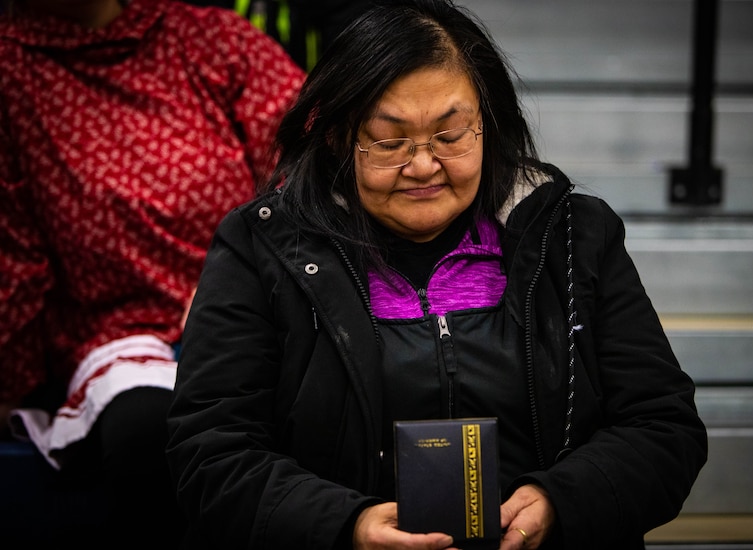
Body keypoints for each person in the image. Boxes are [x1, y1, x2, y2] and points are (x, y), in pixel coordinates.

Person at [166, 0, 708, 548]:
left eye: (450, 136)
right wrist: (343, 526)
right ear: (336, 136)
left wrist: (560, 501)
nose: (423, 165)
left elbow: (663, 429)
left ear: (488, 127)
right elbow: (210, 453)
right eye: (388, 140)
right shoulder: (263, 251)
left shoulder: (572, 238)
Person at [0, 0, 304, 546]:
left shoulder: (208, 38)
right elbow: (13, 255)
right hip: (123, 337)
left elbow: (307, 158)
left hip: (255, 296)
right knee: (155, 434)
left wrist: (235, 283)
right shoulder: (11, 70)